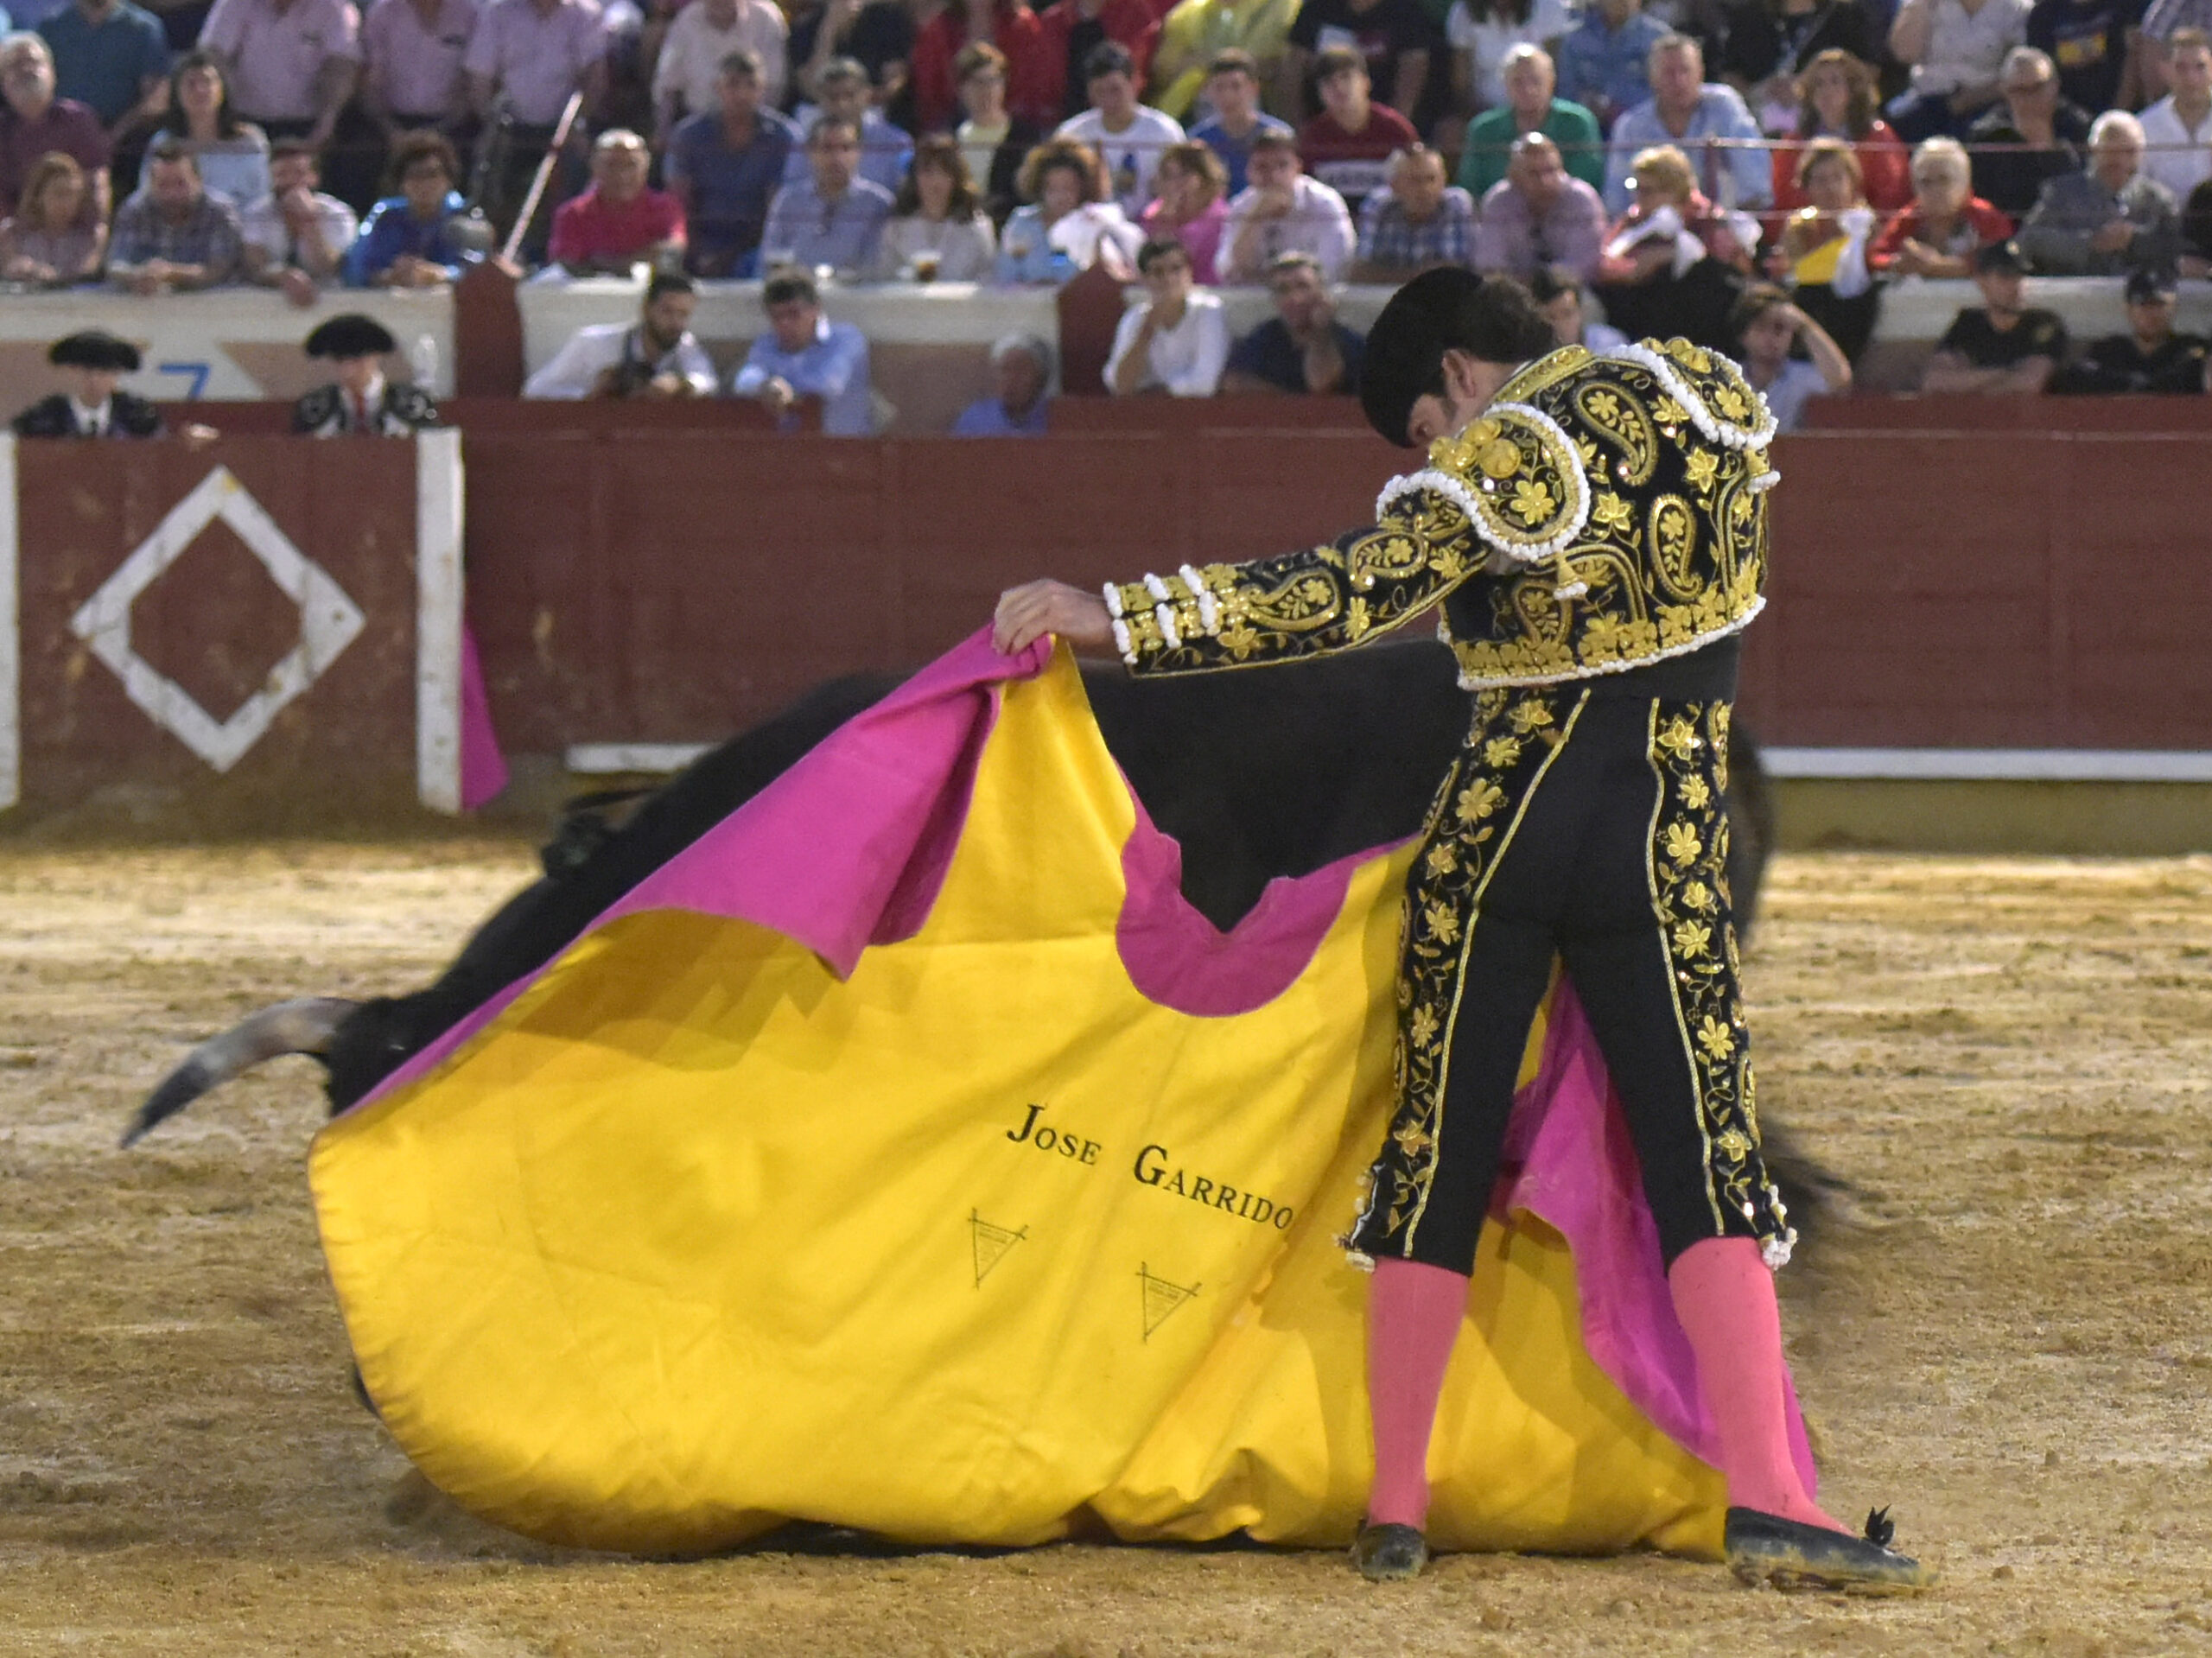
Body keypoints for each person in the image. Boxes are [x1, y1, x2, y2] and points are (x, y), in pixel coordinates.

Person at [988, 264, 1937, 1599]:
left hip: (1497, 834)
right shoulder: (1713, 396)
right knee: (1703, 1155)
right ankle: (1772, 1500)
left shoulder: (1501, 459)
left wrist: (1119, 615)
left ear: (1455, 377)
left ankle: (1396, 1505)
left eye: (1428, 430)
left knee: (1433, 1150)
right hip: (1663, 835)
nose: (1441, 452)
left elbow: (1345, 592)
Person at [1592, 141, 1757, 347]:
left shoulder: (1708, 220)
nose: (1639, 197)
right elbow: (1606, 265)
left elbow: (1734, 269)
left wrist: (1672, 253)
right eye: (1636, 187)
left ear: (1675, 191)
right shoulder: (1633, 220)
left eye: (1648, 191)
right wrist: (1635, 270)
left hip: (1700, 320)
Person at [1604, 35, 1772, 216]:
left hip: (1721, 226)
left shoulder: (1724, 105)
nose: (1679, 81)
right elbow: (1617, 201)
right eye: (1669, 73)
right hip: (1654, 233)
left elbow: (1756, 184)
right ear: (1652, 78)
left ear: (1700, 72)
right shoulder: (1631, 127)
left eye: (1685, 70)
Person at [668, 48, 800, 276]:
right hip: (698, 242)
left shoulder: (783, 137)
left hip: (759, 245)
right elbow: (681, 202)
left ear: (763, 89)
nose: (742, 94)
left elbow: (777, 209)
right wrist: (696, 253)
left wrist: (729, 258)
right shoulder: (689, 135)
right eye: (733, 84)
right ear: (718, 88)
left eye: (751, 85)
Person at [2018, 109, 2183, 274]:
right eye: (2110, 151)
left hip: (2141, 294)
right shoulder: (2061, 194)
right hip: (2076, 293)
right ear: (2093, 150)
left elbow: (2175, 247)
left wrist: (2133, 239)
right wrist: (2090, 244)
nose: (2120, 160)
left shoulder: (2159, 200)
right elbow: (2028, 241)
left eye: (2129, 152)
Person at [524, 269, 718, 398]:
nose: (676, 322)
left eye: (684, 314)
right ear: (646, 309)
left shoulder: (684, 343)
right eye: (667, 311)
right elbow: (535, 390)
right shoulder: (593, 343)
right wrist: (590, 394)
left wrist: (679, 385)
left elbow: (707, 382)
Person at [1767, 48, 1910, 219]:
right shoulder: (1794, 142)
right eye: (1818, 83)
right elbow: (1781, 200)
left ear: (1853, 89)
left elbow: (1893, 198)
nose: (1826, 91)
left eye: (1835, 81)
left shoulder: (1878, 137)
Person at [731, 265, 874, 434]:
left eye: (793, 314)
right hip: (787, 448)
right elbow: (743, 381)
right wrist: (764, 386)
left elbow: (828, 386)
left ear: (816, 309)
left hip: (844, 447)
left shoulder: (846, 339)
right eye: (777, 316)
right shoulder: (766, 344)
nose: (785, 324)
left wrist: (787, 390)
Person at [196, 0, 359, 148]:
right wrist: (219, 117)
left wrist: (327, 121)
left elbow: (341, 67)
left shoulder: (334, 8)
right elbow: (213, 57)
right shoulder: (233, 4)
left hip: (306, 125)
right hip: (242, 122)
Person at [1773, 137, 1878, 359]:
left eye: (1838, 178)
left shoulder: (1868, 227)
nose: (1831, 188)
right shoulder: (1797, 228)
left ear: (1852, 182)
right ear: (1807, 186)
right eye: (1820, 180)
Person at [1054, 40, 1184, 217]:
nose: (1108, 100)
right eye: (1100, 91)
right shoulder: (1072, 134)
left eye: (1115, 90)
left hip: (1152, 226)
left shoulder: (1165, 132)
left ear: (1134, 83)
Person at [1457, 43, 1603, 199]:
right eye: (1518, 82)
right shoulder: (1483, 129)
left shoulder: (1578, 122)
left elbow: (1588, 181)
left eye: (1536, 81)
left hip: (1567, 214)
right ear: (1505, 85)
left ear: (1551, 81)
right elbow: (1470, 188)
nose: (1528, 89)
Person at [1922, 236, 2069, 390]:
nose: (2015, 285)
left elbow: (2031, 383)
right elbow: (1935, 381)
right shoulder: (1970, 323)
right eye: (2005, 276)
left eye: (2018, 275)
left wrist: (1971, 381)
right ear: (1982, 281)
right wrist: (2002, 373)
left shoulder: (2043, 323)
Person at [1965, 45, 2092, 220]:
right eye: (2019, 91)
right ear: (2004, 91)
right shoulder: (1987, 135)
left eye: (2038, 88)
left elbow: (2085, 192)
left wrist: (2050, 150)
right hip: (2006, 229)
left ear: (2054, 85)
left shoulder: (2076, 124)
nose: (2030, 99)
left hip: (2065, 229)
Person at [760, 112, 893, 274]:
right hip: (797, 294)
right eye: (827, 148)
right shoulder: (789, 201)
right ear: (811, 151)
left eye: (845, 148)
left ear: (859, 152)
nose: (837, 158)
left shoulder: (878, 203)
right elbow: (769, 260)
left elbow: (876, 266)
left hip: (855, 295)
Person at [1715, 0, 1874, 135]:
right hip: (1757, 131)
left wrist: (1809, 86)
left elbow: (1868, 71)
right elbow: (1729, 75)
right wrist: (1759, 91)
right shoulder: (1747, 16)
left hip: (1828, 133)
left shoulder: (1844, 15)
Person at [1217, 127, 1356, 279]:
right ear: (1249, 172)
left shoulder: (1325, 203)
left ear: (1298, 168)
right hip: (1255, 298)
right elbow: (1226, 271)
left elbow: (1333, 268)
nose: (1274, 177)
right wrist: (1254, 218)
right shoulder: (1241, 206)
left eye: (1282, 165)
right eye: (1262, 167)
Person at [995, 133, 1141, 278]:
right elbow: (1006, 272)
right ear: (1039, 187)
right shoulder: (1021, 223)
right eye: (1052, 188)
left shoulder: (1095, 223)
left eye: (1069, 188)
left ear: (1082, 189)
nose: (1061, 197)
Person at [1219, 247, 1364, 392]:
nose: (1295, 298)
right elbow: (1234, 383)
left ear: (1322, 292)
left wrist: (1321, 332)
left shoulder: (1348, 342)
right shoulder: (1265, 337)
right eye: (1283, 290)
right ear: (1275, 300)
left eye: (1303, 287)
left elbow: (1322, 384)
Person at [1279, 0, 1440, 129]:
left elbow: (1413, 73)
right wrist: (1297, 127)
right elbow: (1293, 70)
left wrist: (1394, 125)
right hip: (1320, 125)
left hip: (1385, 123)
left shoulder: (1406, 12)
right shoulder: (1316, 9)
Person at [1885, 0, 2031, 142]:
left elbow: (2020, 71)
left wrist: (1968, 100)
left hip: (1987, 102)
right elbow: (1905, 54)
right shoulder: (1922, 4)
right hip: (1928, 101)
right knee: (1895, 124)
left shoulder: (2015, 8)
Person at [107, 136, 242, 288]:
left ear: (198, 181)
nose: (172, 194)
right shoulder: (135, 210)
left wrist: (172, 273)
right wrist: (137, 275)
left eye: (181, 184)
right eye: (163, 185)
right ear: (150, 184)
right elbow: (116, 264)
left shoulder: (219, 211)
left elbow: (220, 269)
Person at [1868, 131, 2012, 274]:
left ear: (1965, 182)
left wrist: (1940, 266)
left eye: (1944, 180)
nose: (1935, 190)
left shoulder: (1986, 217)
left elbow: (2004, 257)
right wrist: (1899, 262)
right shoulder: (1910, 217)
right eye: (1925, 182)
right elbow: (1877, 256)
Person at [1471, 129, 1605, 280]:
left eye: (1551, 171)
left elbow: (1583, 265)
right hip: (1513, 291)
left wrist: (1545, 287)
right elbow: (1490, 264)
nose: (1545, 181)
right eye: (1533, 173)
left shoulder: (1582, 200)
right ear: (1514, 176)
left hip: (1571, 292)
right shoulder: (1498, 201)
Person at [137, 48, 267, 203]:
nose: (200, 90)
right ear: (177, 93)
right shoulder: (164, 142)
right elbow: (147, 196)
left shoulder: (248, 142)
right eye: (191, 84)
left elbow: (262, 197)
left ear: (222, 88)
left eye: (207, 81)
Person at [1298, 43, 1418, 211]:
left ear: (1365, 82)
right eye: (1328, 82)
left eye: (1346, 77)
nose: (1338, 88)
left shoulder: (1396, 130)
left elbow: (1415, 185)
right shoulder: (1312, 136)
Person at [548, 126, 685, 273]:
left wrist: (611, 264)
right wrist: (640, 258)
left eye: (631, 165)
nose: (622, 175)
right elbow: (565, 262)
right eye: (611, 165)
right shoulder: (573, 213)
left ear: (646, 167)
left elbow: (673, 249)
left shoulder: (666, 207)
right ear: (595, 166)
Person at [2053, 264, 2210, 391]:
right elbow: (2076, 378)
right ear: (2128, 310)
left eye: (2160, 305)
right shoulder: (2109, 352)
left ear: (2174, 308)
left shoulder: (2190, 349)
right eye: (2143, 305)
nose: (2152, 314)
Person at [911, 0, 1058, 134]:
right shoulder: (939, 28)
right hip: (953, 124)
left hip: (1014, 126)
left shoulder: (1023, 25)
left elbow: (1036, 86)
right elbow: (929, 90)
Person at [1105, 234, 1228, 394]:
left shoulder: (1209, 312)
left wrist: (1157, 394)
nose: (1169, 279)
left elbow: (1205, 383)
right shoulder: (1135, 318)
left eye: (1176, 269)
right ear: (1144, 279)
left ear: (1189, 272)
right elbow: (1119, 384)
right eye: (1158, 272)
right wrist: (1146, 331)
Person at [0, 31, 109, 209]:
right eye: (16, 65)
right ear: (3, 82)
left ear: (53, 73)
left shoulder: (78, 120)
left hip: (74, 230)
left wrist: (98, 227)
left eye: (34, 62)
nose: (27, 69)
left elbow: (95, 180)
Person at [239, 137, 353, 302]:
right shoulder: (256, 214)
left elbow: (330, 267)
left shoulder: (338, 214)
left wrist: (309, 221)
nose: (291, 181)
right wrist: (284, 276)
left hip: (329, 297)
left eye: (299, 173)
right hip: (271, 298)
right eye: (282, 174)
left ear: (314, 178)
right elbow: (256, 268)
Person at [868, 132, 997, 278]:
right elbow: (885, 278)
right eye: (927, 172)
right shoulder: (897, 228)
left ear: (956, 178)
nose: (935, 182)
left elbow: (987, 280)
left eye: (943, 172)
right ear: (915, 178)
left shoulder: (977, 228)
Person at [346, 125, 465, 283]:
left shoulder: (464, 217)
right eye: (415, 175)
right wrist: (389, 276)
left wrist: (439, 275)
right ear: (401, 183)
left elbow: (480, 270)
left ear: (448, 180)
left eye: (432, 174)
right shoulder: (384, 216)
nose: (425, 184)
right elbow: (354, 267)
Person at [1148, 0, 1299, 124]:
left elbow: (1269, 64)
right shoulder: (1190, 13)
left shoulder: (1280, 7)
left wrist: (1202, 60)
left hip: (1260, 106)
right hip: (1191, 107)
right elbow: (1164, 67)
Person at [651, 0, 785, 137]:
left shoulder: (766, 19)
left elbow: (774, 85)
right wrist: (663, 130)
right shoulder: (686, 21)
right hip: (698, 128)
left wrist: (758, 127)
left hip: (756, 128)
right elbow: (667, 85)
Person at [36, 0, 169, 137]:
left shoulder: (143, 28)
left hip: (125, 145)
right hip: (60, 137)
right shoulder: (52, 27)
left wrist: (114, 135)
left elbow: (155, 97)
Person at [781, 54, 910, 195]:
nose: (842, 104)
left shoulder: (896, 143)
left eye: (850, 95)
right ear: (819, 100)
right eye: (833, 97)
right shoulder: (805, 144)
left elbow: (906, 199)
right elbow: (794, 193)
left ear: (867, 95)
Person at [292, 312, 441, 433]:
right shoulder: (314, 408)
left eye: (357, 360)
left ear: (376, 356)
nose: (348, 370)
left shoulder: (412, 403)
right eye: (340, 360)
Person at [1730, 281, 1850, 430]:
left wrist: (1804, 324)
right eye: (1761, 327)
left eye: (1779, 329)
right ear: (1743, 334)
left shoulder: (1800, 376)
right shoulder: (1728, 378)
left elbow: (1840, 381)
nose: (1770, 337)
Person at [1351, 141, 1474, 279]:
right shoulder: (1379, 205)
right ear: (1394, 185)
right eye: (1414, 180)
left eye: (1431, 179)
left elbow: (1455, 270)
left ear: (1444, 181)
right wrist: (1420, 276)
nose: (1425, 189)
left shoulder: (1456, 204)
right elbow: (1361, 269)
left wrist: (1392, 275)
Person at [359, 0, 479, 137]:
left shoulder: (471, 13)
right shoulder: (382, 12)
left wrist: (440, 132)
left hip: (455, 126)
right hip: (389, 125)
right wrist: (392, 131)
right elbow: (370, 84)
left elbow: (475, 81)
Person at [12, 327, 162, 435]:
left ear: (117, 375)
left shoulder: (139, 418)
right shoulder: (43, 419)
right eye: (85, 372)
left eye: (103, 372)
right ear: (68, 372)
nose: (93, 380)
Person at [1185, 47, 1290, 196]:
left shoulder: (1279, 135)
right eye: (1219, 87)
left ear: (1254, 89)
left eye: (1236, 86)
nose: (1228, 96)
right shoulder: (1198, 140)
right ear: (1208, 91)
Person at [955, 41, 1040, 222]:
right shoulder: (951, 137)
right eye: (977, 82)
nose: (986, 91)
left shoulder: (1025, 137)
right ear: (962, 87)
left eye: (992, 81)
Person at [1553, 0, 1669, 130]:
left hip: (1642, 129)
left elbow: (1665, 92)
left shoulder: (1658, 37)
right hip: (1588, 129)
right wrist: (1589, 107)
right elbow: (1567, 92)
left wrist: (1621, 111)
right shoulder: (1575, 39)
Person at [1036, 0, 1159, 121]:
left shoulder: (1134, 13)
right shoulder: (1052, 21)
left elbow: (1138, 71)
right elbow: (1045, 83)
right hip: (1063, 118)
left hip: (1123, 118)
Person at [1445, 0, 1572, 117]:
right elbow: (1461, 82)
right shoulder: (1464, 10)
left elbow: (1555, 72)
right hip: (1483, 112)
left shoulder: (1549, 6)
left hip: (1539, 114)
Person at [785, 0, 912, 114]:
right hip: (821, 111)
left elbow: (894, 82)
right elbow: (810, 90)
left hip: (873, 109)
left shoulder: (888, 17)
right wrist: (829, 29)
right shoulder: (804, 27)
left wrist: (859, 98)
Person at [0, 144, 102, 279]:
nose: (67, 203)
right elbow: (9, 268)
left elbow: (86, 275)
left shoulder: (90, 237)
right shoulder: (13, 233)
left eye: (73, 194)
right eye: (59, 194)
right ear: (38, 196)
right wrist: (25, 269)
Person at [2024, 0, 2140, 114]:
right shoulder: (2042, 16)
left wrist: (2117, 113)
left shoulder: (2125, 5)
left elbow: (2134, 59)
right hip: (2066, 121)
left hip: (2126, 112)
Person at [1136, 135, 1226, 279]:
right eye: (1168, 175)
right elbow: (1150, 257)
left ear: (1203, 176)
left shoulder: (1221, 215)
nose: (1175, 182)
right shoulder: (1153, 212)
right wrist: (1165, 218)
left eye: (1184, 174)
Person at [2138, 27, 2212, 201]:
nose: (2191, 78)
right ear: (2165, 71)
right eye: (2181, 68)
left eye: (2200, 67)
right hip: (2164, 225)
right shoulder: (2144, 128)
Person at [951, 328, 1052, 431]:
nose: (1011, 378)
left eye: (1021, 369)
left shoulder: (1053, 417)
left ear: (1040, 376)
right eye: (1004, 370)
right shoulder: (975, 419)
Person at [1527, 258, 1626, 348]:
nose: (1560, 325)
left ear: (1580, 311)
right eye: (1551, 317)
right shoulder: (1527, 358)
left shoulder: (1611, 345)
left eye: (1567, 314)